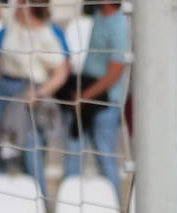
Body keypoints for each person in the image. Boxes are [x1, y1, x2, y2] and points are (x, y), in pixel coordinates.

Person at [0, 1, 71, 200]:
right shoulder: (12, 24)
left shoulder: (48, 35)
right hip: (3, 91)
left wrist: (39, 93)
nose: (16, 5)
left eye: (21, 2)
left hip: (29, 96)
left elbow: (61, 72)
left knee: (31, 150)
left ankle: (40, 201)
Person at [64, 1, 128, 197]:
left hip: (105, 101)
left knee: (104, 155)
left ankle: (114, 204)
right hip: (86, 94)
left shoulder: (120, 26)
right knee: (74, 150)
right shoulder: (99, 15)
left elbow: (115, 72)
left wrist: (85, 96)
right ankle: (69, 199)